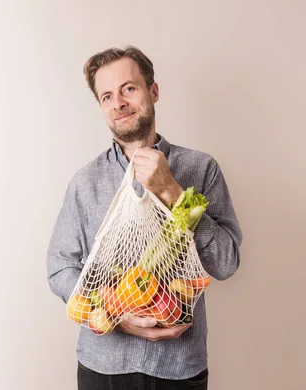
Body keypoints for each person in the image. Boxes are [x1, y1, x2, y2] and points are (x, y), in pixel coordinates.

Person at [46, 46, 242, 390]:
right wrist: (113, 313)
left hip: (178, 367)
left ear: (153, 91)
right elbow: (60, 267)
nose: (118, 102)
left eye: (128, 88)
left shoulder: (201, 168)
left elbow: (226, 264)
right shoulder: (85, 181)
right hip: (102, 365)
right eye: (106, 96)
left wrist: (173, 192)